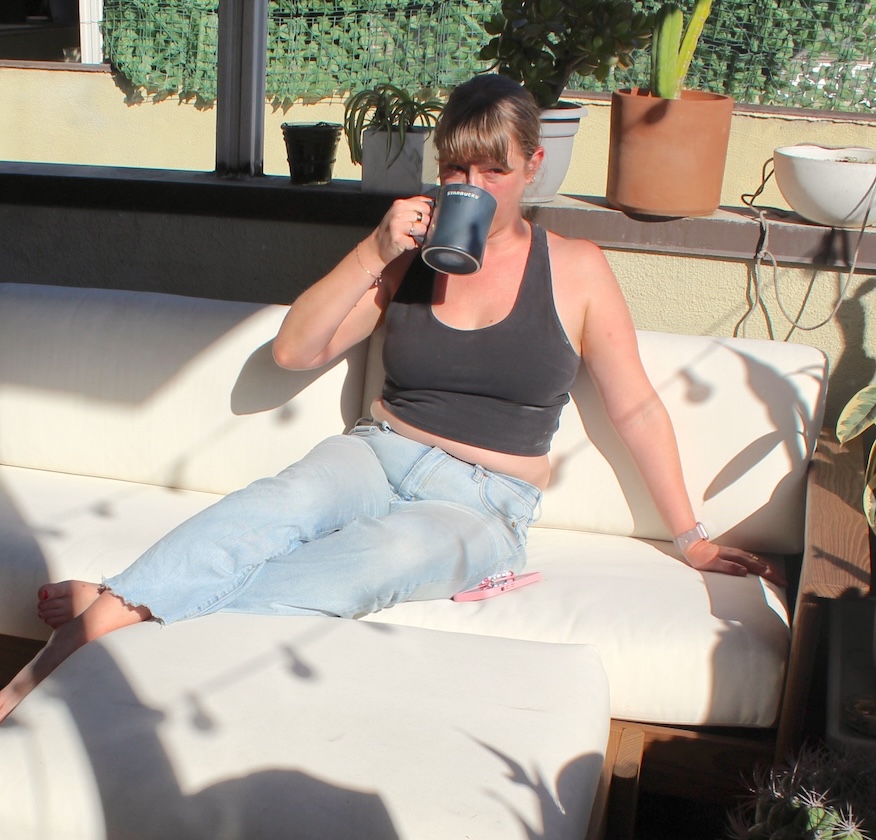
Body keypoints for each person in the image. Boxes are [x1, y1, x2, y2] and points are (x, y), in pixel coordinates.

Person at [0, 74, 778, 725]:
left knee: (365, 566)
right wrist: (374, 249)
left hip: (484, 503)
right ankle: (53, 667)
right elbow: (294, 351)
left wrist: (693, 536)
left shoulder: (575, 270)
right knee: (271, 508)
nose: (470, 190)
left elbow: (637, 406)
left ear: (533, 166)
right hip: (377, 451)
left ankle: (128, 603)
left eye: (493, 173)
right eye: (456, 172)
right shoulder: (410, 257)